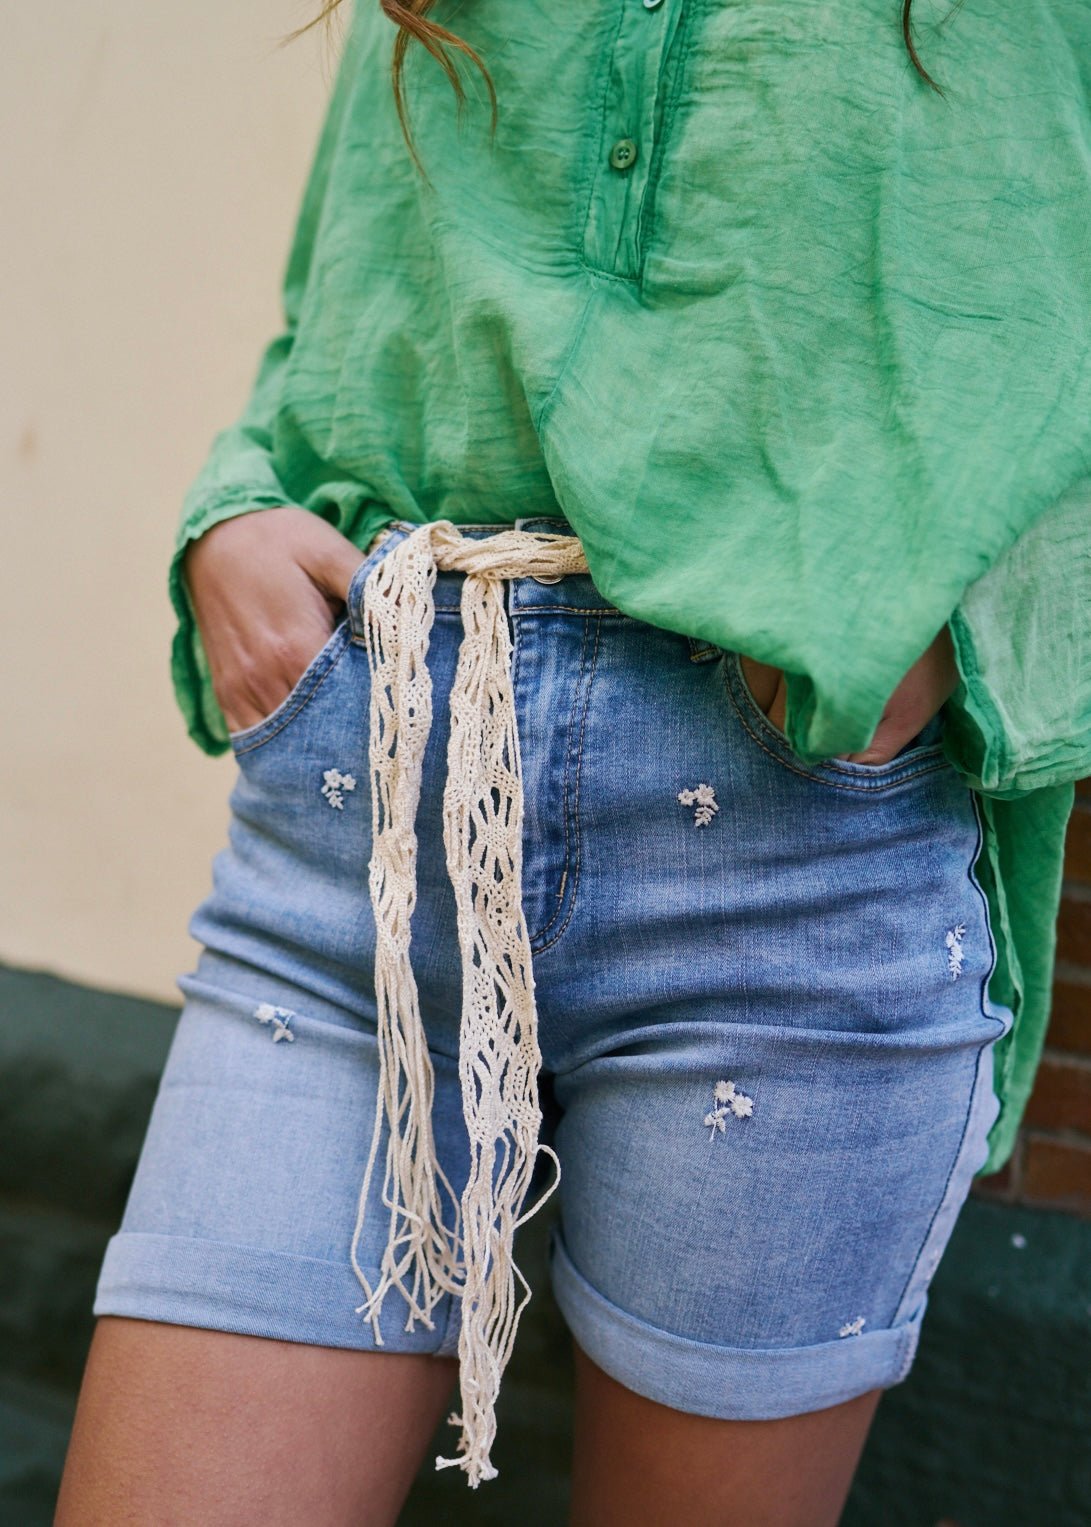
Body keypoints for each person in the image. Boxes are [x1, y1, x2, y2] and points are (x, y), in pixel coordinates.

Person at [58, 1, 1091, 1523]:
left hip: (786, 855)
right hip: (365, 813)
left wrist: (968, 641)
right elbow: (350, 276)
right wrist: (235, 508)